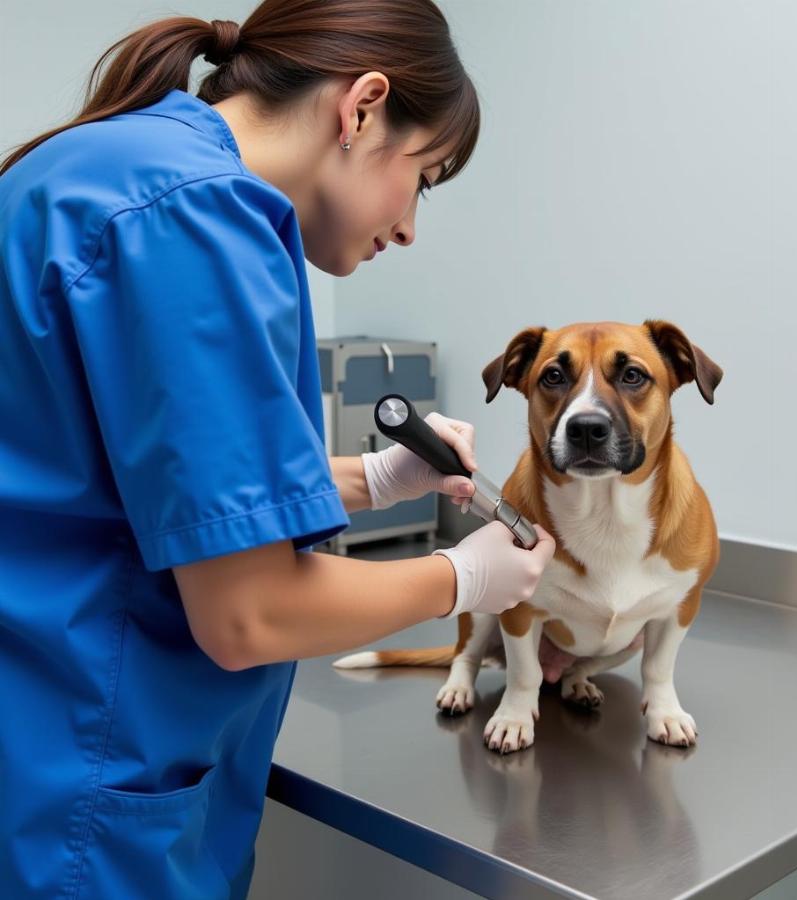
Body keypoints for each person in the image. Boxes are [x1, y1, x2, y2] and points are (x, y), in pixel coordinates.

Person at [0, 1, 559, 897]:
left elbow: (128, 489)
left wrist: (374, 480)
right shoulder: (200, 219)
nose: (411, 226)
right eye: (426, 176)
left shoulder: (112, 164)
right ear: (363, 107)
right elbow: (248, 614)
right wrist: (464, 578)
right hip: (78, 797)